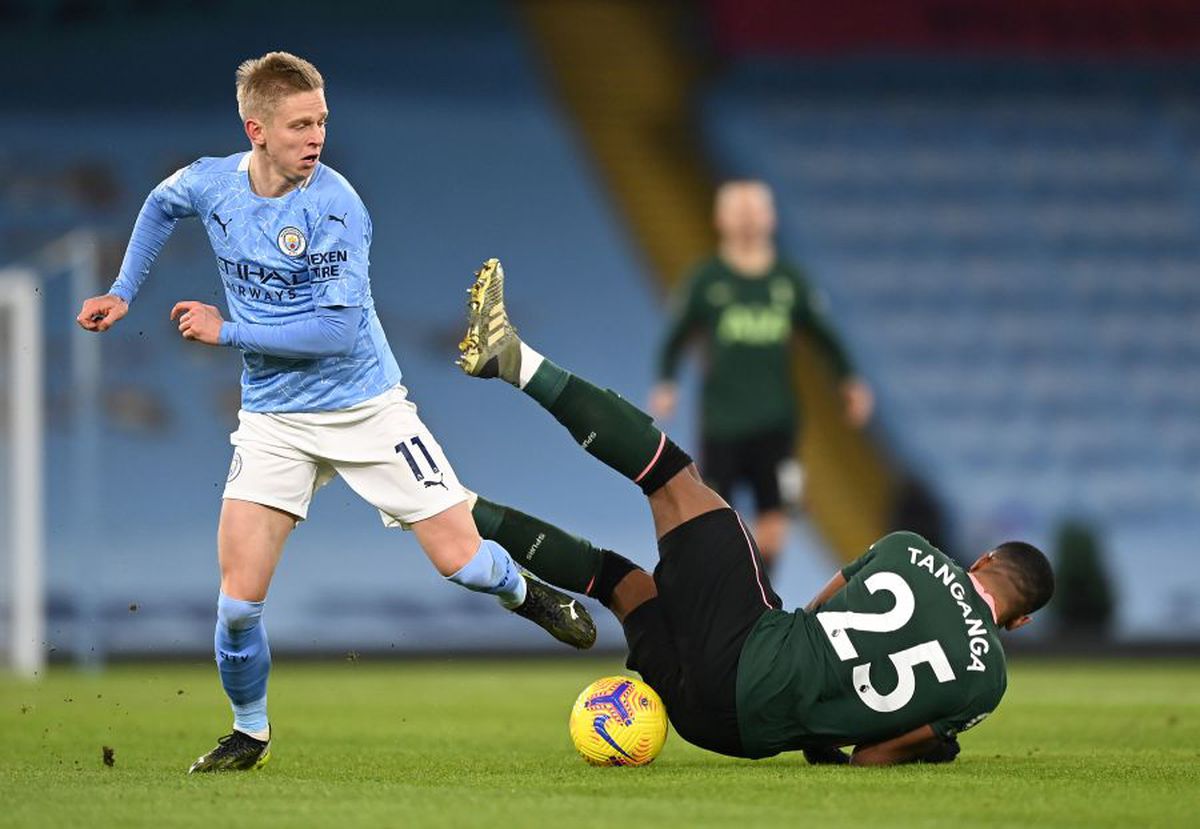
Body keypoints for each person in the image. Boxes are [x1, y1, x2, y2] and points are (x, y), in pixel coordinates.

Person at [74, 53, 595, 774]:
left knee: (464, 562)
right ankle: (248, 731)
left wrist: (226, 331)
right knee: (235, 609)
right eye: (299, 124)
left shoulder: (337, 204)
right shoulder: (212, 183)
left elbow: (335, 334)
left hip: (366, 409)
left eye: (321, 119)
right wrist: (124, 290)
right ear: (255, 129)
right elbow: (162, 203)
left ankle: (524, 590)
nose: (315, 135)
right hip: (273, 421)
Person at [457, 259, 1055, 765]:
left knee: (671, 477)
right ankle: (451, 510)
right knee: (621, 582)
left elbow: (821, 609)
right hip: (724, 731)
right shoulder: (987, 681)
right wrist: (904, 744)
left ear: (985, 559)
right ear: (1020, 622)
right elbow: (872, 756)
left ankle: (512, 360)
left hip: (753, 653)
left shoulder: (911, 550)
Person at [650, 180, 873, 568]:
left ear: (771, 217)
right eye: (740, 209)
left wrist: (849, 381)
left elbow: (825, 336)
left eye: (756, 209)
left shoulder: (789, 281)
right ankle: (727, 596)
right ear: (721, 218)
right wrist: (667, 381)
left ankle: (760, 604)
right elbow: (676, 336)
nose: (749, 218)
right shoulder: (707, 280)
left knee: (776, 517)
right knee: (714, 518)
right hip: (722, 421)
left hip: (776, 421)